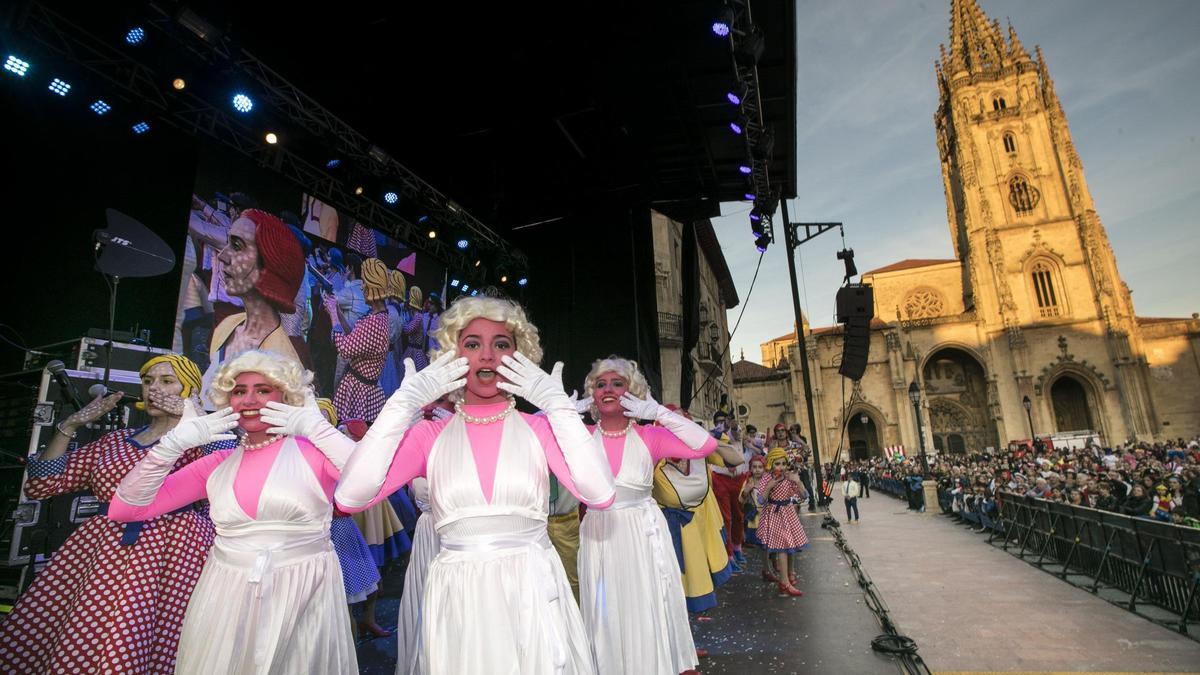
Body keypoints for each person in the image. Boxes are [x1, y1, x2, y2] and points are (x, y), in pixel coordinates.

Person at [332, 295, 616, 674]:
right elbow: (350, 496)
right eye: (472, 344)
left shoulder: (540, 429)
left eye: (501, 344)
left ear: (520, 357)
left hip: (532, 596)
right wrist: (402, 405)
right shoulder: (429, 435)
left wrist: (556, 406)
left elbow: (600, 493)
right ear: (452, 355)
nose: (487, 355)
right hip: (458, 601)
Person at [109, 350, 358, 673]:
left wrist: (321, 432)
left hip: (303, 594)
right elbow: (125, 509)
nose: (250, 399)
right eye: (240, 391)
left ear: (286, 395)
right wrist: (171, 447)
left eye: (263, 390)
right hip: (224, 598)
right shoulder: (216, 463)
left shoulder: (312, 452)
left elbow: (372, 485)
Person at [0, 355, 221, 673]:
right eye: (147, 382)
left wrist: (195, 417)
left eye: (166, 381)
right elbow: (40, 485)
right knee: (91, 633)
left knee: (155, 637)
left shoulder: (199, 440)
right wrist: (69, 425)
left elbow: (227, 470)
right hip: (106, 549)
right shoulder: (115, 442)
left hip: (173, 552)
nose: (153, 389)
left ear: (191, 390)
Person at [577, 357, 716, 675]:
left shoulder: (649, 436)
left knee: (643, 607)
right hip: (599, 534)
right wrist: (562, 415)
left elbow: (705, 445)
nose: (608, 389)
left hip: (642, 532)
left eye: (617, 383)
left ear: (632, 392)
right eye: (601, 384)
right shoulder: (580, 435)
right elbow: (537, 440)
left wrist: (658, 414)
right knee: (605, 613)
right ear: (592, 395)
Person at [202, 209, 305, 408]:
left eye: (237, 246)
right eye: (228, 244)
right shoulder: (227, 326)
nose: (223, 256)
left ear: (269, 261)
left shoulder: (283, 361)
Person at [325, 257, 391, 423]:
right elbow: (353, 336)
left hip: (358, 392)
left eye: (365, 282)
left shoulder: (375, 322)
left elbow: (344, 348)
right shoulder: (377, 316)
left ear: (373, 286)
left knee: (348, 435)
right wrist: (339, 312)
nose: (362, 286)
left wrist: (333, 314)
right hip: (361, 389)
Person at [754, 448, 809, 597]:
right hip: (774, 514)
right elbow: (760, 499)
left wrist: (798, 482)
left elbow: (803, 496)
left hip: (788, 513)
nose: (781, 467)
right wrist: (770, 485)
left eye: (784, 463)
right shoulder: (766, 478)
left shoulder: (789, 477)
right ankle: (784, 582)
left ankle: (790, 574)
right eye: (777, 463)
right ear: (771, 464)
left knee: (791, 545)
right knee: (782, 548)